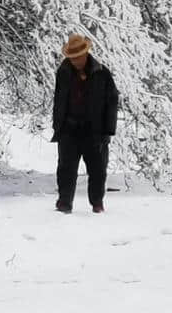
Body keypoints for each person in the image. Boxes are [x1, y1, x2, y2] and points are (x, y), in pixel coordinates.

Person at [51, 34, 119, 214]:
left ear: (86, 53)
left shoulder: (102, 73)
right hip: (69, 129)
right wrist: (58, 125)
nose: (75, 61)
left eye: (78, 57)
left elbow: (112, 102)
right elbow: (58, 100)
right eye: (72, 58)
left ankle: (97, 203)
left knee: (98, 170)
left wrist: (108, 131)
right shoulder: (63, 72)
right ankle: (64, 203)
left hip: (95, 131)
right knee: (65, 169)